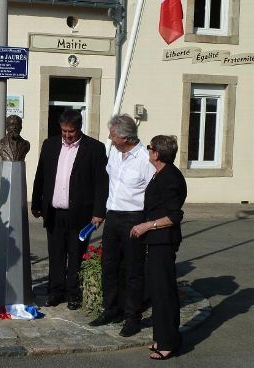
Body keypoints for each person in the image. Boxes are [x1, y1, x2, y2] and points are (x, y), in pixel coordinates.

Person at [31, 109, 108, 310]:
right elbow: (41, 175)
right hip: (54, 211)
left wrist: (99, 212)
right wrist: (36, 203)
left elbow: (101, 183)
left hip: (81, 213)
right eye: (64, 131)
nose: (67, 135)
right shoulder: (50, 145)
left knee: (76, 255)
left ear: (79, 128)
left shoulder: (95, 148)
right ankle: (55, 292)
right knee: (56, 254)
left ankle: (74, 294)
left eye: (71, 132)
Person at [89, 115, 155, 337]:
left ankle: (132, 316)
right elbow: (108, 183)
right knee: (109, 266)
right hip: (113, 216)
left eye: (113, 135)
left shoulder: (145, 159)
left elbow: (152, 194)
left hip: (134, 218)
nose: (109, 138)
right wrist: (100, 213)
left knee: (133, 270)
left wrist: (147, 224)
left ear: (125, 137)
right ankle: (112, 309)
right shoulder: (115, 153)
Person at [130, 135, 187, 360]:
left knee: (163, 293)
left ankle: (168, 343)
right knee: (158, 290)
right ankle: (163, 337)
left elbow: (174, 216)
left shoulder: (170, 177)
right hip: (156, 242)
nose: (148, 150)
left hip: (163, 241)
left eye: (150, 148)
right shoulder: (161, 174)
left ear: (157, 153)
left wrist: (147, 225)